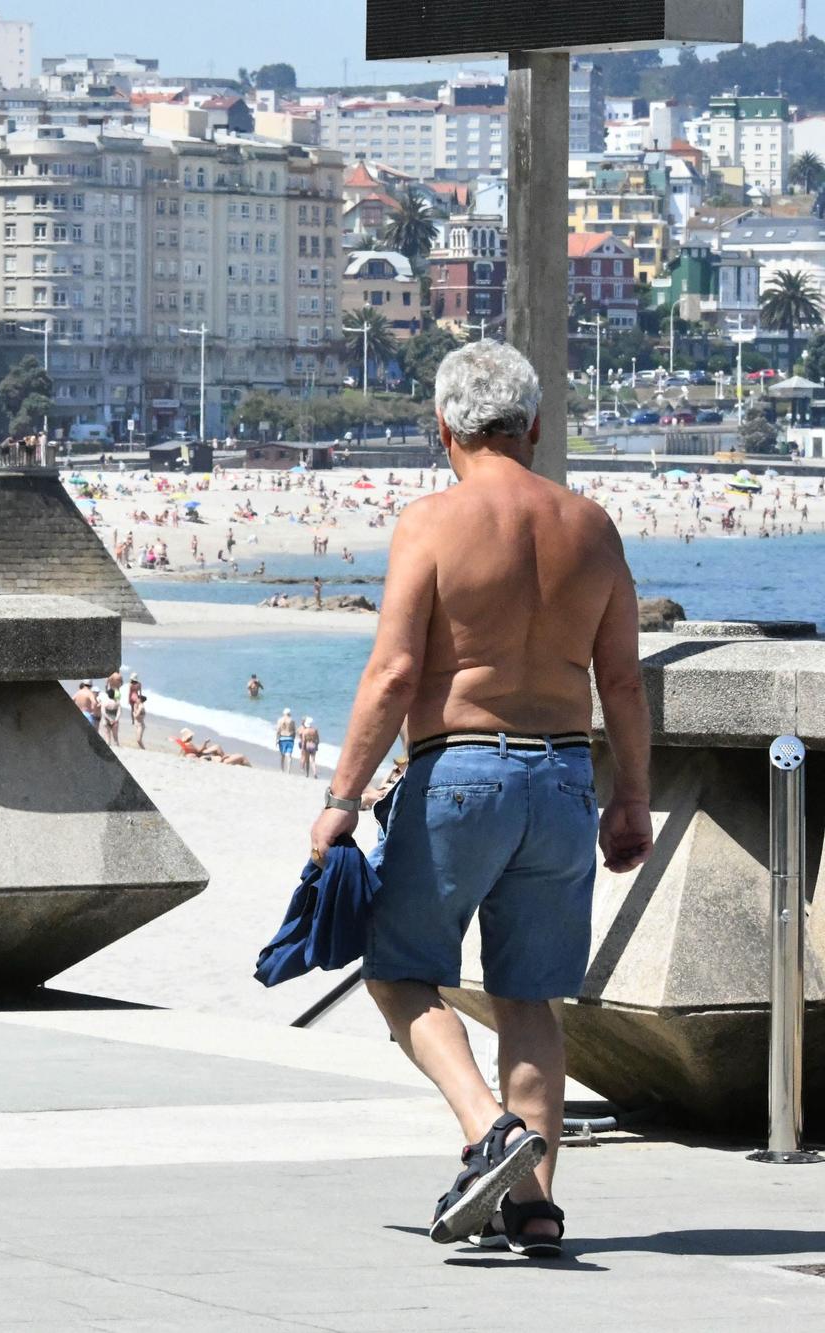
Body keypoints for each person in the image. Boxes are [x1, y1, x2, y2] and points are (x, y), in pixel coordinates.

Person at [307, 340, 652, 1259]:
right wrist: (632, 801)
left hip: (461, 770)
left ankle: (487, 1128)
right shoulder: (594, 526)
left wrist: (341, 796)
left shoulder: (431, 522)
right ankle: (535, 1207)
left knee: (396, 968)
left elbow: (394, 672)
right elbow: (621, 683)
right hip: (565, 779)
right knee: (530, 997)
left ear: (443, 430)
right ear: (534, 426)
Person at [127, 676, 147, 749]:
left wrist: (134, 710)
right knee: (137, 740)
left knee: (138, 740)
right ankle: (141, 749)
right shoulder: (138, 705)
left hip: (140, 724)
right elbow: (140, 693)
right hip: (137, 724)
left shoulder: (141, 706)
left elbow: (136, 715)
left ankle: (144, 749)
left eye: (138, 699)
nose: (137, 700)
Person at [275, 708, 297, 773]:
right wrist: (293, 738)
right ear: (289, 713)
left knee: (282, 755)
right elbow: (294, 731)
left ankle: (281, 770)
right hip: (290, 738)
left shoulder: (280, 720)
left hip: (282, 738)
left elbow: (278, 730)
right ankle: (288, 770)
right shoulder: (292, 720)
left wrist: (276, 739)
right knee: (289, 755)